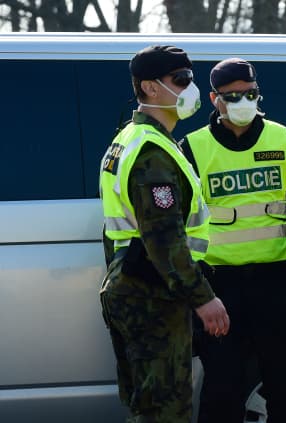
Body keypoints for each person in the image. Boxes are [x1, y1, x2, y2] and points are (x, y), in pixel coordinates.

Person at [181, 58, 286, 423]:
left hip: (272, 281)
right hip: (220, 287)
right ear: (214, 99)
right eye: (232, 95)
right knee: (223, 386)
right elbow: (177, 219)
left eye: (250, 93)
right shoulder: (193, 147)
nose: (242, 101)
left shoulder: (281, 137)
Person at [99, 45, 230, 422]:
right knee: (165, 410)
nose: (190, 88)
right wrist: (203, 297)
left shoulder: (133, 137)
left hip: (134, 284)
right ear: (150, 88)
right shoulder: (150, 149)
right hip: (152, 292)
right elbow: (164, 237)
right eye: (181, 80)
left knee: (149, 406)